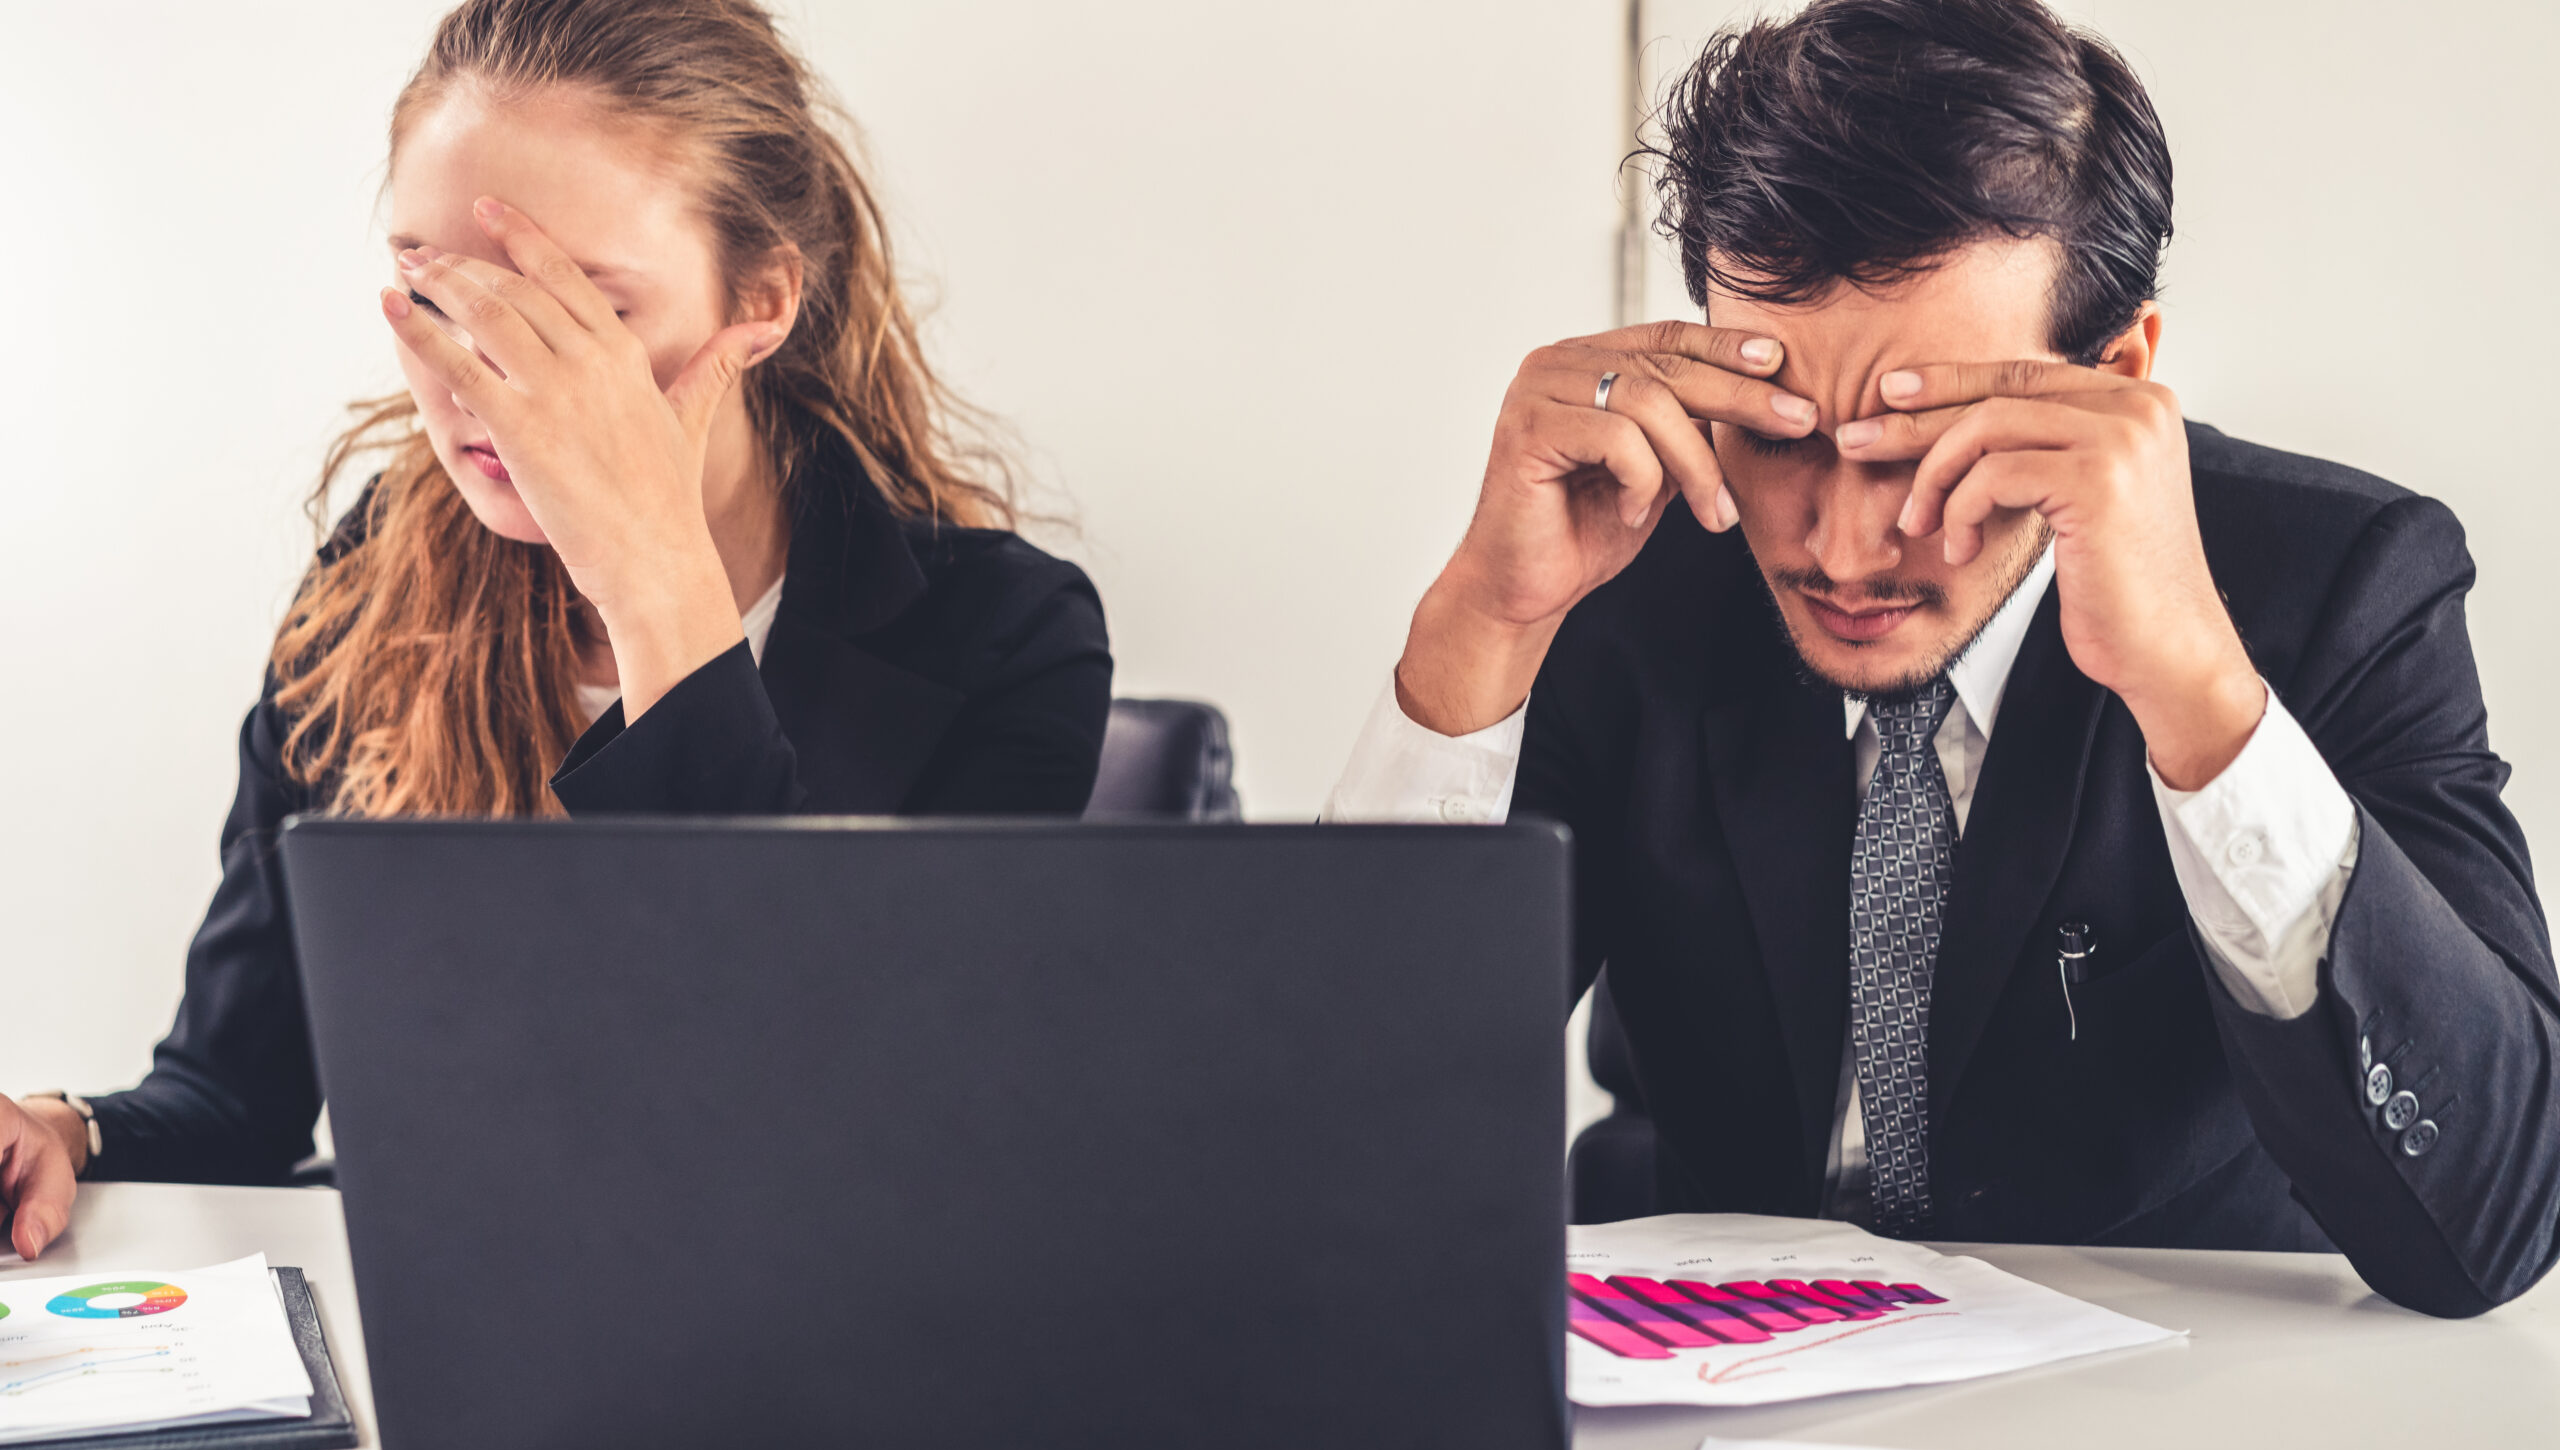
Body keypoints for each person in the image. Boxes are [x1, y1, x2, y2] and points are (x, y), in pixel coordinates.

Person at [1327, 0, 2559, 1317]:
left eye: (1932, 446)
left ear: (2124, 370)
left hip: (2173, 1383)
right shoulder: (1620, 562)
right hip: (1674, 1369)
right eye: (1781, 434)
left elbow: (2488, 1226)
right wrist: (1482, 627)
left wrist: (2206, 707)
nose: (1847, 550)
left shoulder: (2338, 580)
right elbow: (1339, 1148)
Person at [0, 0, 1111, 1248]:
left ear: (761, 302)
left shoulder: (1002, 636)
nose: (480, 371)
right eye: (434, 290)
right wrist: (67, 1128)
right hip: (448, 1328)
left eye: (575, 309)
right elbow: (235, 1096)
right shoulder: (375, 580)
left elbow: (841, 1130)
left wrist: (649, 572)